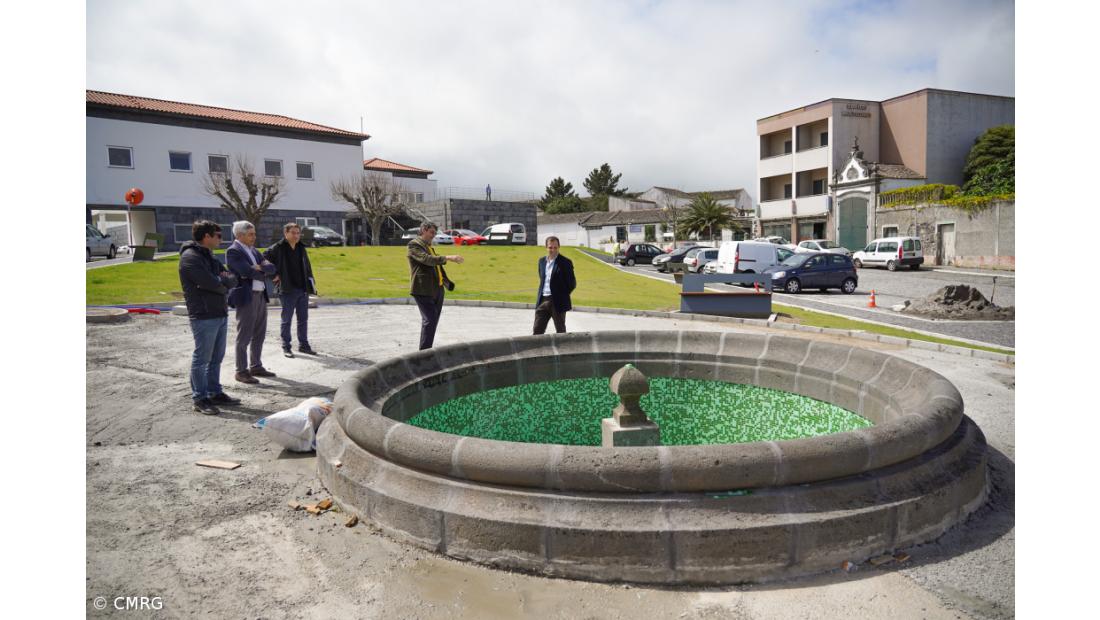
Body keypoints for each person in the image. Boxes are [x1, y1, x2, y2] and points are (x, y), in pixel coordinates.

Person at [178, 220, 240, 415]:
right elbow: (210, 283)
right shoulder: (190, 257)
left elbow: (231, 277)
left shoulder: (209, 257)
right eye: (218, 235)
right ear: (207, 236)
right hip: (204, 314)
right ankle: (200, 398)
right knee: (202, 358)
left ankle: (214, 392)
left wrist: (222, 280)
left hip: (219, 312)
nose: (221, 239)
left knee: (216, 357)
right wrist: (223, 282)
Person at [226, 221, 277, 384]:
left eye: (254, 233)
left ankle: (256, 365)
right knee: (244, 335)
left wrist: (258, 268)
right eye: (251, 234)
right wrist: (258, 269)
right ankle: (241, 371)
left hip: (261, 295)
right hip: (247, 297)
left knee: (259, 333)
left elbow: (272, 268)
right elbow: (244, 271)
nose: (254, 237)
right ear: (239, 235)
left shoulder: (254, 251)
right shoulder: (233, 251)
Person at [407, 221, 463, 349]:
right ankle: (424, 353)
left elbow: (436, 266)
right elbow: (427, 260)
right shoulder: (413, 245)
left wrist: (445, 283)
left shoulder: (428, 247)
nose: (433, 235)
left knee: (433, 321)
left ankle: (426, 350)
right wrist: (448, 257)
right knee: (430, 320)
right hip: (422, 289)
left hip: (437, 289)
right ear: (424, 230)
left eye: (434, 233)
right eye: (431, 232)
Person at [264, 222, 317, 358]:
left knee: (303, 319)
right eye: (293, 232)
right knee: (286, 320)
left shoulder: (301, 248)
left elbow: (308, 267)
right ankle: (286, 347)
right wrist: (273, 275)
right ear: (285, 233)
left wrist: (311, 284)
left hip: (302, 288)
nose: (296, 235)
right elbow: (263, 260)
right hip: (287, 289)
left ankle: (304, 345)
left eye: (298, 233)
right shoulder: (277, 248)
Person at [533, 236, 576, 334]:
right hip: (543, 300)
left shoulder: (565, 262)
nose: (553, 250)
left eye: (555, 247)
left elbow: (572, 283)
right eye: (550, 247)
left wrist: (561, 294)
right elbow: (542, 279)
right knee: (537, 330)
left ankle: (562, 349)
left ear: (559, 247)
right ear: (546, 247)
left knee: (560, 331)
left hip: (558, 301)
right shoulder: (541, 262)